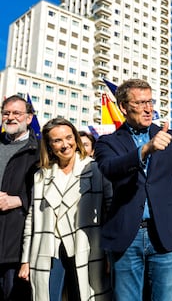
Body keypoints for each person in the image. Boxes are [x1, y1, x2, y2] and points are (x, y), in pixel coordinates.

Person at [94, 78, 172, 301]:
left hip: (165, 236)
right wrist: (145, 150)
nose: (148, 108)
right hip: (126, 237)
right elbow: (110, 169)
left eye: (150, 102)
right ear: (123, 107)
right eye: (140, 103)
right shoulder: (107, 142)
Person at [18, 118, 112, 301]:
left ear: (76, 139)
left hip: (86, 247)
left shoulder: (95, 169)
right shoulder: (40, 176)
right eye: (57, 140)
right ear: (49, 145)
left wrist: (109, 253)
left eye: (68, 137)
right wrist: (25, 260)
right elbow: (32, 219)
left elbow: (108, 212)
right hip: (49, 249)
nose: (65, 145)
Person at [0, 95, 39, 301]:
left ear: (29, 118)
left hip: (16, 247)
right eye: (6, 113)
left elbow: (45, 194)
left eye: (17, 113)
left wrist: (19, 200)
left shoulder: (39, 152)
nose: (10, 118)